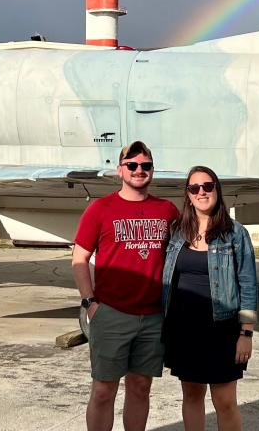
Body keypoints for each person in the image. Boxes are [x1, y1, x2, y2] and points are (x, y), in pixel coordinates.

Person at [72, 141, 181, 431]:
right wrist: (90, 303)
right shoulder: (101, 209)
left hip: (153, 316)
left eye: (145, 165)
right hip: (111, 313)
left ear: (152, 171)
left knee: (140, 387)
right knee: (103, 390)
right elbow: (80, 258)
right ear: (120, 169)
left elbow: (184, 251)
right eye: (132, 165)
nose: (138, 170)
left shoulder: (167, 210)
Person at [161, 165, 258, 431]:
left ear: (217, 190)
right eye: (195, 188)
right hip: (184, 329)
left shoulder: (235, 234)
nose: (202, 192)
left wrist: (246, 334)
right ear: (188, 195)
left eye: (208, 186)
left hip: (222, 329)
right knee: (191, 396)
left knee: (224, 401)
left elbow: (248, 285)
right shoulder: (177, 231)